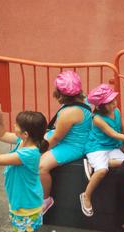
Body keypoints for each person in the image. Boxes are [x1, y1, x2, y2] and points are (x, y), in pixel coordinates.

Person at [0, 104, 48, 232]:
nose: (14, 126)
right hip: (22, 201)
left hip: (26, 208)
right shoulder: (24, 141)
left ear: (25, 133)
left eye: (16, 125)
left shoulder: (29, 153)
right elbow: (1, 134)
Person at [79, 83, 124, 217]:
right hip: (96, 148)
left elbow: (121, 128)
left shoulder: (116, 112)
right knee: (102, 171)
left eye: (114, 100)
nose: (114, 104)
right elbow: (113, 134)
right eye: (110, 102)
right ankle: (86, 195)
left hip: (112, 147)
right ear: (100, 106)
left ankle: (99, 163)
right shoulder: (97, 119)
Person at [39, 70, 92, 214]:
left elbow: (56, 138)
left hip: (73, 146)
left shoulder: (68, 113)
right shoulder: (84, 100)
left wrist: (40, 150)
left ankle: (46, 200)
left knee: (41, 167)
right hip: (70, 138)